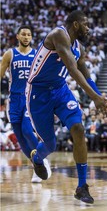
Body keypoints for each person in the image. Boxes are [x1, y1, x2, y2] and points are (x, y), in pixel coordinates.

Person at [25, 10, 107, 204]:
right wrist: (94, 98)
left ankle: (81, 186)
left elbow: (85, 72)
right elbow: (72, 69)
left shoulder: (79, 46)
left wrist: (100, 96)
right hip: (38, 93)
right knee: (50, 144)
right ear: (76, 25)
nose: (88, 28)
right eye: (86, 23)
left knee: (78, 129)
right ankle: (37, 157)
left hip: (60, 90)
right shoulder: (58, 35)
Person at [0, 25, 51, 183]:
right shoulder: (10, 54)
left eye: (29, 34)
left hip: (31, 97)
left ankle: (42, 160)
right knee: (21, 139)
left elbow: (45, 77)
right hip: (14, 99)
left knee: (27, 130)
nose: (26, 37)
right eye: (23, 34)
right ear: (17, 36)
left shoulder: (37, 55)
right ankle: (37, 167)